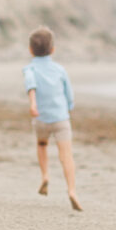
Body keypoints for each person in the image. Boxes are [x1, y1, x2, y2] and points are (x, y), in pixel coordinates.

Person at [22, 26, 82, 211]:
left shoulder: (29, 68)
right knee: (66, 156)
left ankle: (45, 175)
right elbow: (69, 94)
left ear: (31, 50)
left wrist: (33, 104)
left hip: (41, 118)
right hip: (60, 118)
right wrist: (68, 108)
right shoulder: (59, 70)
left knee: (42, 145)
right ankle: (71, 190)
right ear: (53, 50)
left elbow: (31, 85)